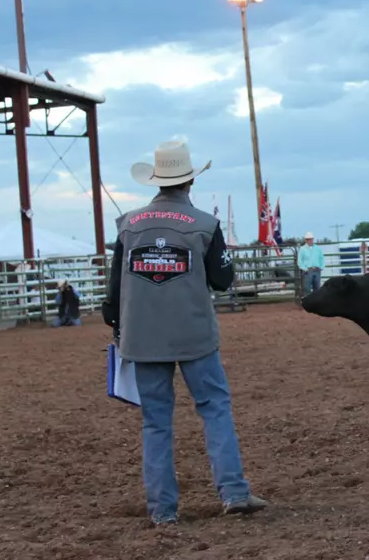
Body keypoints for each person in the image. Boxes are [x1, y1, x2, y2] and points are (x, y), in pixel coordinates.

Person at [101, 140, 267, 525]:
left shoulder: (127, 225)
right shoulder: (206, 225)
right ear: (190, 179)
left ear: (156, 181)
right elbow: (224, 279)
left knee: (156, 421)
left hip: (142, 337)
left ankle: (163, 511)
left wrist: (119, 326)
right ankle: (233, 491)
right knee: (214, 407)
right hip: (193, 334)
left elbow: (112, 295)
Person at [298, 231, 324, 296]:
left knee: (317, 288)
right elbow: (299, 261)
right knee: (307, 289)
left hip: (317, 270)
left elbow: (322, 258)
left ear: (313, 239)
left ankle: (316, 302)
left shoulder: (317, 249)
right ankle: (307, 302)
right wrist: (305, 269)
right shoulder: (302, 249)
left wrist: (321, 267)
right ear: (306, 240)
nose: (309, 241)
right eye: (308, 239)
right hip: (308, 270)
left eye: (310, 239)